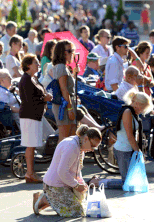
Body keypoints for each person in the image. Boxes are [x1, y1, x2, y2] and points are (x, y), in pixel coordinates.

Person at [33, 125, 102, 217]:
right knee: (77, 212)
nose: (93, 150)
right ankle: (46, 198)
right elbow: (62, 171)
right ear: (86, 139)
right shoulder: (72, 146)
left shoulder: (80, 146)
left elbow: (76, 170)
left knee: (83, 207)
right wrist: (77, 185)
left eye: (95, 148)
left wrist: (81, 183)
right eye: (93, 146)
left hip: (65, 183)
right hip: (55, 185)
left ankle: (50, 198)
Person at [19, 54, 53, 183]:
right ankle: (30, 173)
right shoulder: (26, 79)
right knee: (30, 145)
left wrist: (45, 97)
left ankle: (31, 172)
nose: (38, 65)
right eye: (36, 63)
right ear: (28, 65)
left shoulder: (33, 78)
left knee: (32, 145)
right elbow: (29, 99)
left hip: (35, 115)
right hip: (29, 115)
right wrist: (44, 98)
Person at [114, 90, 153, 181]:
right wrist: (139, 152)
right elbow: (130, 136)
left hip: (127, 149)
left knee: (130, 181)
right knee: (127, 182)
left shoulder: (131, 112)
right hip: (123, 150)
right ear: (137, 104)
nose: (143, 111)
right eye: (143, 108)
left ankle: (98, 182)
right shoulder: (128, 112)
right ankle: (98, 182)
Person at [52, 40, 78, 142]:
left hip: (67, 103)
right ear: (63, 52)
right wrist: (70, 108)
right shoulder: (61, 67)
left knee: (71, 137)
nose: (73, 53)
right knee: (65, 138)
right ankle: (58, 158)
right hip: (64, 106)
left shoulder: (63, 67)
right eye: (70, 50)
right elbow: (64, 89)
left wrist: (74, 74)